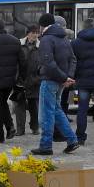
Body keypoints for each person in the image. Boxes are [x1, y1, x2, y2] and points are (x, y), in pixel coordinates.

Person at [31, 13, 79, 155]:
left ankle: (45, 146)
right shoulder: (64, 38)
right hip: (60, 82)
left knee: (47, 114)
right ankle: (72, 140)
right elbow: (73, 59)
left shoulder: (46, 39)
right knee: (57, 110)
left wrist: (64, 78)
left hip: (50, 80)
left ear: (42, 25)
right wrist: (68, 76)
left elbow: (49, 63)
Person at [15, 24, 41, 136]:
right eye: (33, 32)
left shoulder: (41, 46)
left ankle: (35, 127)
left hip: (35, 80)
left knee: (34, 106)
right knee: (19, 106)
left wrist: (39, 78)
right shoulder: (19, 44)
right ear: (28, 33)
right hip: (20, 80)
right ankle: (20, 129)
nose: (35, 35)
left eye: (37, 32)